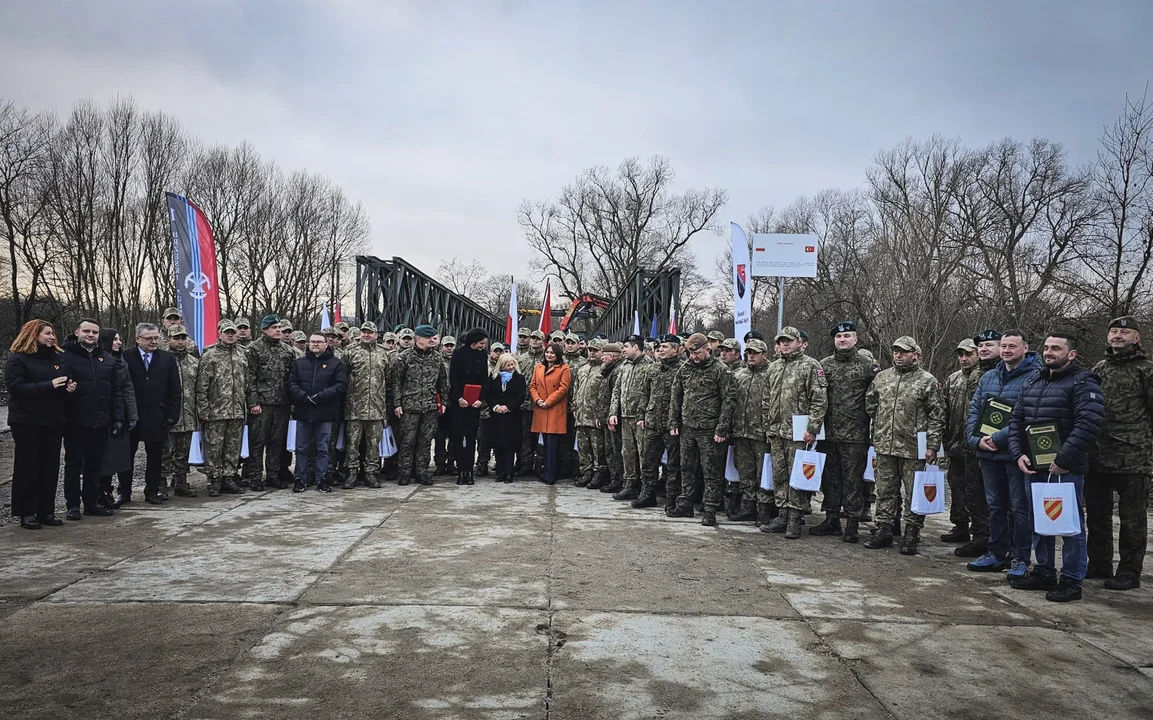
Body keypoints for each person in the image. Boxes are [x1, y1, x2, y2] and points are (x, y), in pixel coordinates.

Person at [1008, 333, 1103, 602]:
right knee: (1040, 520)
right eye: (1047, 348)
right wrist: (1018, 454)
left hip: (1065, 469)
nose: (1049, 352)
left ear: (1071, 354)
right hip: (1034, 466)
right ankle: (1044, 571)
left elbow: (1089, 425)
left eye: (1056, 349)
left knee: (1070, 525)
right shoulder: (1033, 380)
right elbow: (1016, 421)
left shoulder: (1083, 383)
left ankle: (1072, 579)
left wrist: (1063, 459)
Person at [965, 329, 1040, 579]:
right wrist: (976, 440)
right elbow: (975, 409)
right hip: (987, 455)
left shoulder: (1035, 377)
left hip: (1015, 453)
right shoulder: (989, 377)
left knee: (1020, 508)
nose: (1007, 351)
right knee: (995, 506)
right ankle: (996, 553)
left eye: (1012, 346)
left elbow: (1028, 414)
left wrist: (998, 438)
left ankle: (1020, 557)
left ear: (1025, 348)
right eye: (1004, 346)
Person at [1087, 316, 1153, 591]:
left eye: (1124, 332)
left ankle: (1129, 571)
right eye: (1114, 331)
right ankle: (1099, 563)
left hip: (1133, 457)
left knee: (1132, 519)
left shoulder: (1146, 370)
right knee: (1096, 515)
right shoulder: (1100, 367)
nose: (1118, 335)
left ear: (1136, 338)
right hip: (1098, 455)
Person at [864, 336, 945, 554]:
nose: (898, 355)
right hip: (885, 444)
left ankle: (912, 532)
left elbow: (937, 416)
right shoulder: (882, 378)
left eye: (904, 352)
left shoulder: (927, 380)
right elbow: (871, 404)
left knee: (914, 492)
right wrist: (879, 429)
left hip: (913, 447)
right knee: (885, 490)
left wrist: (933, 445)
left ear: (915, 355)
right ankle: (884, 530)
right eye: (895, 351)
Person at [762, 326, 828, 539]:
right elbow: (766, 399)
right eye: (781, 341)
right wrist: (768, 426)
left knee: (797, 477)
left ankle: (795, 518)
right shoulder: (773, 367)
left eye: (789, 341)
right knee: (779, 475)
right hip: (776, 431)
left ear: (799, 342)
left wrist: (813, 428)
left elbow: (819, 400)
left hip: (799, 432)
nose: (785, 345)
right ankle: (782, 514)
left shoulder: (810, 366)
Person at [815, 321, 878, 542]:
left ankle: (852, 523)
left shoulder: (867, 365)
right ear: (834, 340)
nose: (843, 340)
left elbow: (875, 399)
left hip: (855, 435)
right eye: (839, 337)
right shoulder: (824, 365)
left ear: (855, 339)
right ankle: (832, 520)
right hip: (828, 434)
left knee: (853, 480)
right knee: (830, 479)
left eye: (847, 336)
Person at [6, 320, 73, 528]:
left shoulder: (57, 358)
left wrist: (68, 387)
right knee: (28, 466)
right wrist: (49, 385)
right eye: (47, 333)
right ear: (33, 334)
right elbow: (17, 388)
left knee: (50, 466)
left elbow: (62, 382)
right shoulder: (18, 359)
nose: (52, 337)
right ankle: (26, 512)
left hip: (52, 420)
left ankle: (46, 511)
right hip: (27, 421)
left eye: (53, 333)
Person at [59, 318, 123, 519]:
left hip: (101, 421)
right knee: (73, 465)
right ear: (77, 332)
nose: (90, 335)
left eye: (94, 332)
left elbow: (116, 392)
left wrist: (117, 417)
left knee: (95, 465)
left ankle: (91, 503)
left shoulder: (107, 359)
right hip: (75, 422)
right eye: (86, 331)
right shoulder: (64, 357)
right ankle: (72, 505)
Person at [668, 333, 734, 524]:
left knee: (711, 471)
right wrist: (673, 422)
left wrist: (722, 428)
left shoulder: (721, 370)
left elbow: (729, 401)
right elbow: (676, 396)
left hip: (710, 430)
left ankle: (710, 509)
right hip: (688, 427)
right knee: (686, 468)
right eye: (690, 353)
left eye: (697, 353)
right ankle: (685, 504)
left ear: (708, 350)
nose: (693, 357)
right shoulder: (685, 368)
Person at [952, 329, 1001, 557]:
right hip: (971, 443)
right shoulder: (974, 376)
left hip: (999, 444)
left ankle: (1001, 543)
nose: (983, 349)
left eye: (989, 345)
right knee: (974, 494)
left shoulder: (1003, 372)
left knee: (999, 498)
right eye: (981, 346)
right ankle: (980, 537)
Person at [122, 322, 182, 505]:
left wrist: (172, 415)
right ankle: (124, 492)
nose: (153, 341)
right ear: (138, 339)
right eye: (149, 339)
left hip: (158, 415)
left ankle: (152, 490)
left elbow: (175, 390)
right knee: (127, 456)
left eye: (156, 338)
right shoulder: (126, 357)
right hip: (132, 415)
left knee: (155, 457)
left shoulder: (167, 358)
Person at [242, 315, 297, 491]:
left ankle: (273, 475)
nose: (278, 330)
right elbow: (249, 378)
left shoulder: (288, 351)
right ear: (264, 330)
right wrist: (253, 402)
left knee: (277, 442)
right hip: (261, 404)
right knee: (257, 442)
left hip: (282, 403)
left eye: (279, 327)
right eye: (274, 327)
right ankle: (255, 477)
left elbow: (292, 379)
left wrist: (292, 402)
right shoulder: (253, 349)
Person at [195, 319, 249, 497]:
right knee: (214, 448)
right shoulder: (210, 355)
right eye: (227, 332)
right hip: (216, 411)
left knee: (233, 447)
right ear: (220, 333)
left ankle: (229, 478)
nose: (231, 335)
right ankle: (215, 480)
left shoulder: (242, 354)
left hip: (237, 410)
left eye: (233, 332)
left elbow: (247, 383)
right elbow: (202, 386)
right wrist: (203, 409)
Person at [288, 333, 348, 492]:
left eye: (319, 342)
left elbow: (340, 386)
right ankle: (300, 478)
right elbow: (292, 383)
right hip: (303, 410)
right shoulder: (299, 363)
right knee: (301, 448)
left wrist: (320, 397)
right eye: (312, 341)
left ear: (326, 344)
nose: (315, 344)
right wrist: (304, 397)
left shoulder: (336, 364)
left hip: (325, 412)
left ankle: (321, 479)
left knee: (323, 448)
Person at [392, 325, 450, 485]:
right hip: (409, 407)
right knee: (407, 441)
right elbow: (396, 382)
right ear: (418, 339)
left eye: (434, 337)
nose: (432, 340)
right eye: (428, 337)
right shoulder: (404, 357)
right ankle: (404, 473)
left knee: (425, 442)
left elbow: (443, 383)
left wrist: (443, 402)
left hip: (430, 407)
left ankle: (422, 472)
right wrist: (397, 403)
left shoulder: (437, 358)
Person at [726, 338, 772, 522]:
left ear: (765, 355)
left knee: (763, 473)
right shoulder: (740, 375)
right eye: (749, 353)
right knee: (745, 472)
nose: (751, 356)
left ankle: (764, 511)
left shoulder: (771, 373)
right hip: (741, 431)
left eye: (755, 353)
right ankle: (748, 506)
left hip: (761, 432)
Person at [342, 321, 390, 489]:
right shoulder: (350, 352)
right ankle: (352, 473)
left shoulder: (385, 354)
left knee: (373, 444)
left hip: (376, 408)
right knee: (352, 443)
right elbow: (343, 376)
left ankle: (371, 473)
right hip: (355, 408)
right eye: (364, 332)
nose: (366, 335)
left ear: (376, 335)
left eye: (370, 332)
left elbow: (389, 380)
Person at [941, 338, 980, 543]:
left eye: (968, 354)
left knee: (975, 490)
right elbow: (943, 409)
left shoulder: (983, 377)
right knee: (956, 485)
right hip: (955, 444)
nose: (964, 359)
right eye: (961, 355)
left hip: (976, 445)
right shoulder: (953, 379)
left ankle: (980, 530)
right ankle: (960, 525)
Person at [639, 334, 683, 514]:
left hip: (672, 424)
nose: (661, 350)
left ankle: (671, 497)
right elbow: (645, 393)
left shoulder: (683, 369)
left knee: (673, 464)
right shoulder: (653, 369)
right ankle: (647, 493)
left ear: (676, 349)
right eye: (659, 347)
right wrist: (641, 415)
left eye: (665, 347)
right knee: (648, 460)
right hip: (652, 421)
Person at [609, 335, 654, 501]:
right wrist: (613, 412)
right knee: (627, 452)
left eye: (626, 346)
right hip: (625, 416)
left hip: (640, 418)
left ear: (636, 347)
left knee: (643, 453)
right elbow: (617, 390)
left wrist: (645, 415)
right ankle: (629, 484)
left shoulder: (650, 366)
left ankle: (645, 487)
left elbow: (650, 394)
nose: (623, 350)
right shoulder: (625, 366)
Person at [96, 327, 138, 508]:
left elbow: (128, 388)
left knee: (120, 457)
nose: (119, 343)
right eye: (115, 340)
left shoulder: (122, 362)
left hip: (121, 414)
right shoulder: (98, 361)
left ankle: (118, 491)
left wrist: (132, 414)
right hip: (103, 415)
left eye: (119, 339)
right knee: (104, 458)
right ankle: (102, 492)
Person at [162, 325, 200, 497]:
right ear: (169, 339)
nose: (180, 341)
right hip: (168, 416)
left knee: (183, 453)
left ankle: (181, 483)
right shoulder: (162, 360)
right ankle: (160, 484)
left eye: (183, 338)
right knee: (164, 453)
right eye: (176, 338)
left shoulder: (194, 362)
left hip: (189, 415)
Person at [449, 328, 490, 485]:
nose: (483, 346)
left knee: (472, 438)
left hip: (474, 403)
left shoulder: (481, 355)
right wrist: (459, 397)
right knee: (459, 438)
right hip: (460, 402)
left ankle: (469, 471)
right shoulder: (458, 354)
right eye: (481, 343)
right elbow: (454, 378)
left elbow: (484, 379)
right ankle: (461, 471)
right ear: (474, 342)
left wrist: (481, 398)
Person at [530, 342, 572, 485]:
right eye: (547, 352)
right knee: (544, 444)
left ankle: (551, 475)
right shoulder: (539, 367)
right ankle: (545, 472)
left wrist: (548, 401)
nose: (549, 355)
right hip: (541, 409)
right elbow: (533, 385)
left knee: (553, 445)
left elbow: (563, 388)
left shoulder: (564, 368)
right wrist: (537, 400)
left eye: (552, 353)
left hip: (554, 409)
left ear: (557, 355)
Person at [485, 353, 527, 483]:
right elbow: (489, 394)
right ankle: (500, 471)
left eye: (512, 364)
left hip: (511, 416)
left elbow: (521, 396)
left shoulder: (519, 378)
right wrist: (496, 406)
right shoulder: (493, 377)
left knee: (510, 445)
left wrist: (509, 407)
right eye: (508, 365)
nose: (510, 367)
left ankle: (509, 472)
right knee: (498, 445)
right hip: (497, 416)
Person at [572, 339, 608, 488]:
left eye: (595, 350)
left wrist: (601, 414)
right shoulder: (582, 368)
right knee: (583, 447)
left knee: (597, 447)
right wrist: (574, 407)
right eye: (590, 350)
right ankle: (586, 472)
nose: (592, 353)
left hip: (595, 416)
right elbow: (576, 388)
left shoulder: (605, 369)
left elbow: (606, 393)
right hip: (581, 415)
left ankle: (599, 473)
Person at [596, 342, 626, 492]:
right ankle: (613, 478)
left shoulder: (616, 371)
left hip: (613, 419)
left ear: (612, 356)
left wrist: (611, 417)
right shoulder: (609, 370)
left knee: (615, 451)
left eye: (604, 355)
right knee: (609, 450)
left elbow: (615, 397)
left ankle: (618, 480)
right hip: (606, 416)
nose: (602, 358)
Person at [516, 330, 545, 474]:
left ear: (542, 341)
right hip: (524, 403)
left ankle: (539, 465)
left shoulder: (547, 358)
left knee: (540, 436)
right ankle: (525, 464)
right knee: (524, 435)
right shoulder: (522, 358)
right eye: (532, 338)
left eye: (537, 339)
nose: (534, 341)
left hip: (541, 404)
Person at [475, 341, 505, 477]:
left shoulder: (505, 367)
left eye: (500, 351)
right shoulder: (483, 366)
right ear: (490, 352)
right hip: (484, 408)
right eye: (495, 351)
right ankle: (482, 463)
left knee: (499, 437)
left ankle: (500, 464)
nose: (497, 354)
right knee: (483, 438)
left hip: (499, 408)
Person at [434, 335, 458, 475]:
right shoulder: (436, 360)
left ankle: (451, 462)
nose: (449, 348)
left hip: (454, 403)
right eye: (446, 346)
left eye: (451, 346)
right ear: (441, 346)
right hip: (440, 403)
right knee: (439, 436)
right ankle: (440, 464)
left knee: (454, 436)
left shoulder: (458, 360)